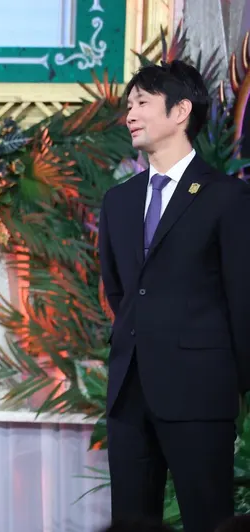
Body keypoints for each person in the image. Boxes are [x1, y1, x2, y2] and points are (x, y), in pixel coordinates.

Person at [99, 59, 250, 532]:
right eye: (129, 105)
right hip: (130, 394)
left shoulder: (226, 197)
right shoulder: (119, 201)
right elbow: (119, 290)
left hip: (200, 392)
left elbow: (243, 298)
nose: (130, 115)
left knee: (209, 520)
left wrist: (236, 384)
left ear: (181, 110)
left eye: (142, 102)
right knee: (131, 522)